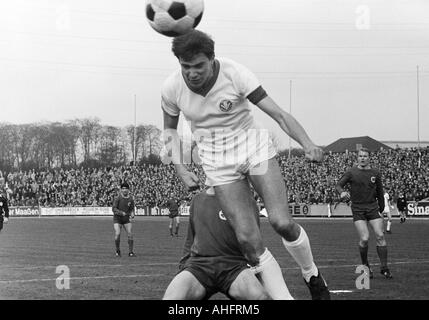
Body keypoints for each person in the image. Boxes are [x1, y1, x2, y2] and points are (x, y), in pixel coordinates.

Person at [162, 30, 330, 299]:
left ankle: (311, 274)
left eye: (198, 66)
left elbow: (278, 114)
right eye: (185, 66)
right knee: (249, 243)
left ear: (212, 59)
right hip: (217, 163)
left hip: (253, 149)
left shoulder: (235, 74)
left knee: (281, 222)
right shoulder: (171, 88)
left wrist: (307, 143)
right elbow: (169, 133)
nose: (192, 73)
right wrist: (181, 169)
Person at [163, 187, 293, 300]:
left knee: (259, 297)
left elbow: (254, 241)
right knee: (172, 297)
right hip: (199, 266)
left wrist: (251, 268)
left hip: (234, 267)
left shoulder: (246, 201)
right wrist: (183, 268)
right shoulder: (197, 200)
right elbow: (190, 238)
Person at [336, 148, 392, 279]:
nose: (362, 158)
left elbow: (379, 191)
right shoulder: (351, 172)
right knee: (365, 239)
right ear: (357, 158)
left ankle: (384, 268)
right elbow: (338, 185)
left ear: (369, 158)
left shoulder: (375, 173)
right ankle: (365, 265)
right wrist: (341, 192)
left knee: (380, 236)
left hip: (372, 208)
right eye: (360, 156)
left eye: (365, 156)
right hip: (358, 209)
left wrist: (382, 208)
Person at [112, 182, 136, 257]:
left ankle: (131, 252)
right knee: (117, 234)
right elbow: (114, 209)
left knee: (130, 234)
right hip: (117, 219)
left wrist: (132, 213)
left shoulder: (131, 199)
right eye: (123, 188)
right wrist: (121, 212)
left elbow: (132, 209)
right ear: (121, 190)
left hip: (126, 219)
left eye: (126, 188)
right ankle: (117, 250)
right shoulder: (118, 198)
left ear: (128, 190)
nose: (124, 190)